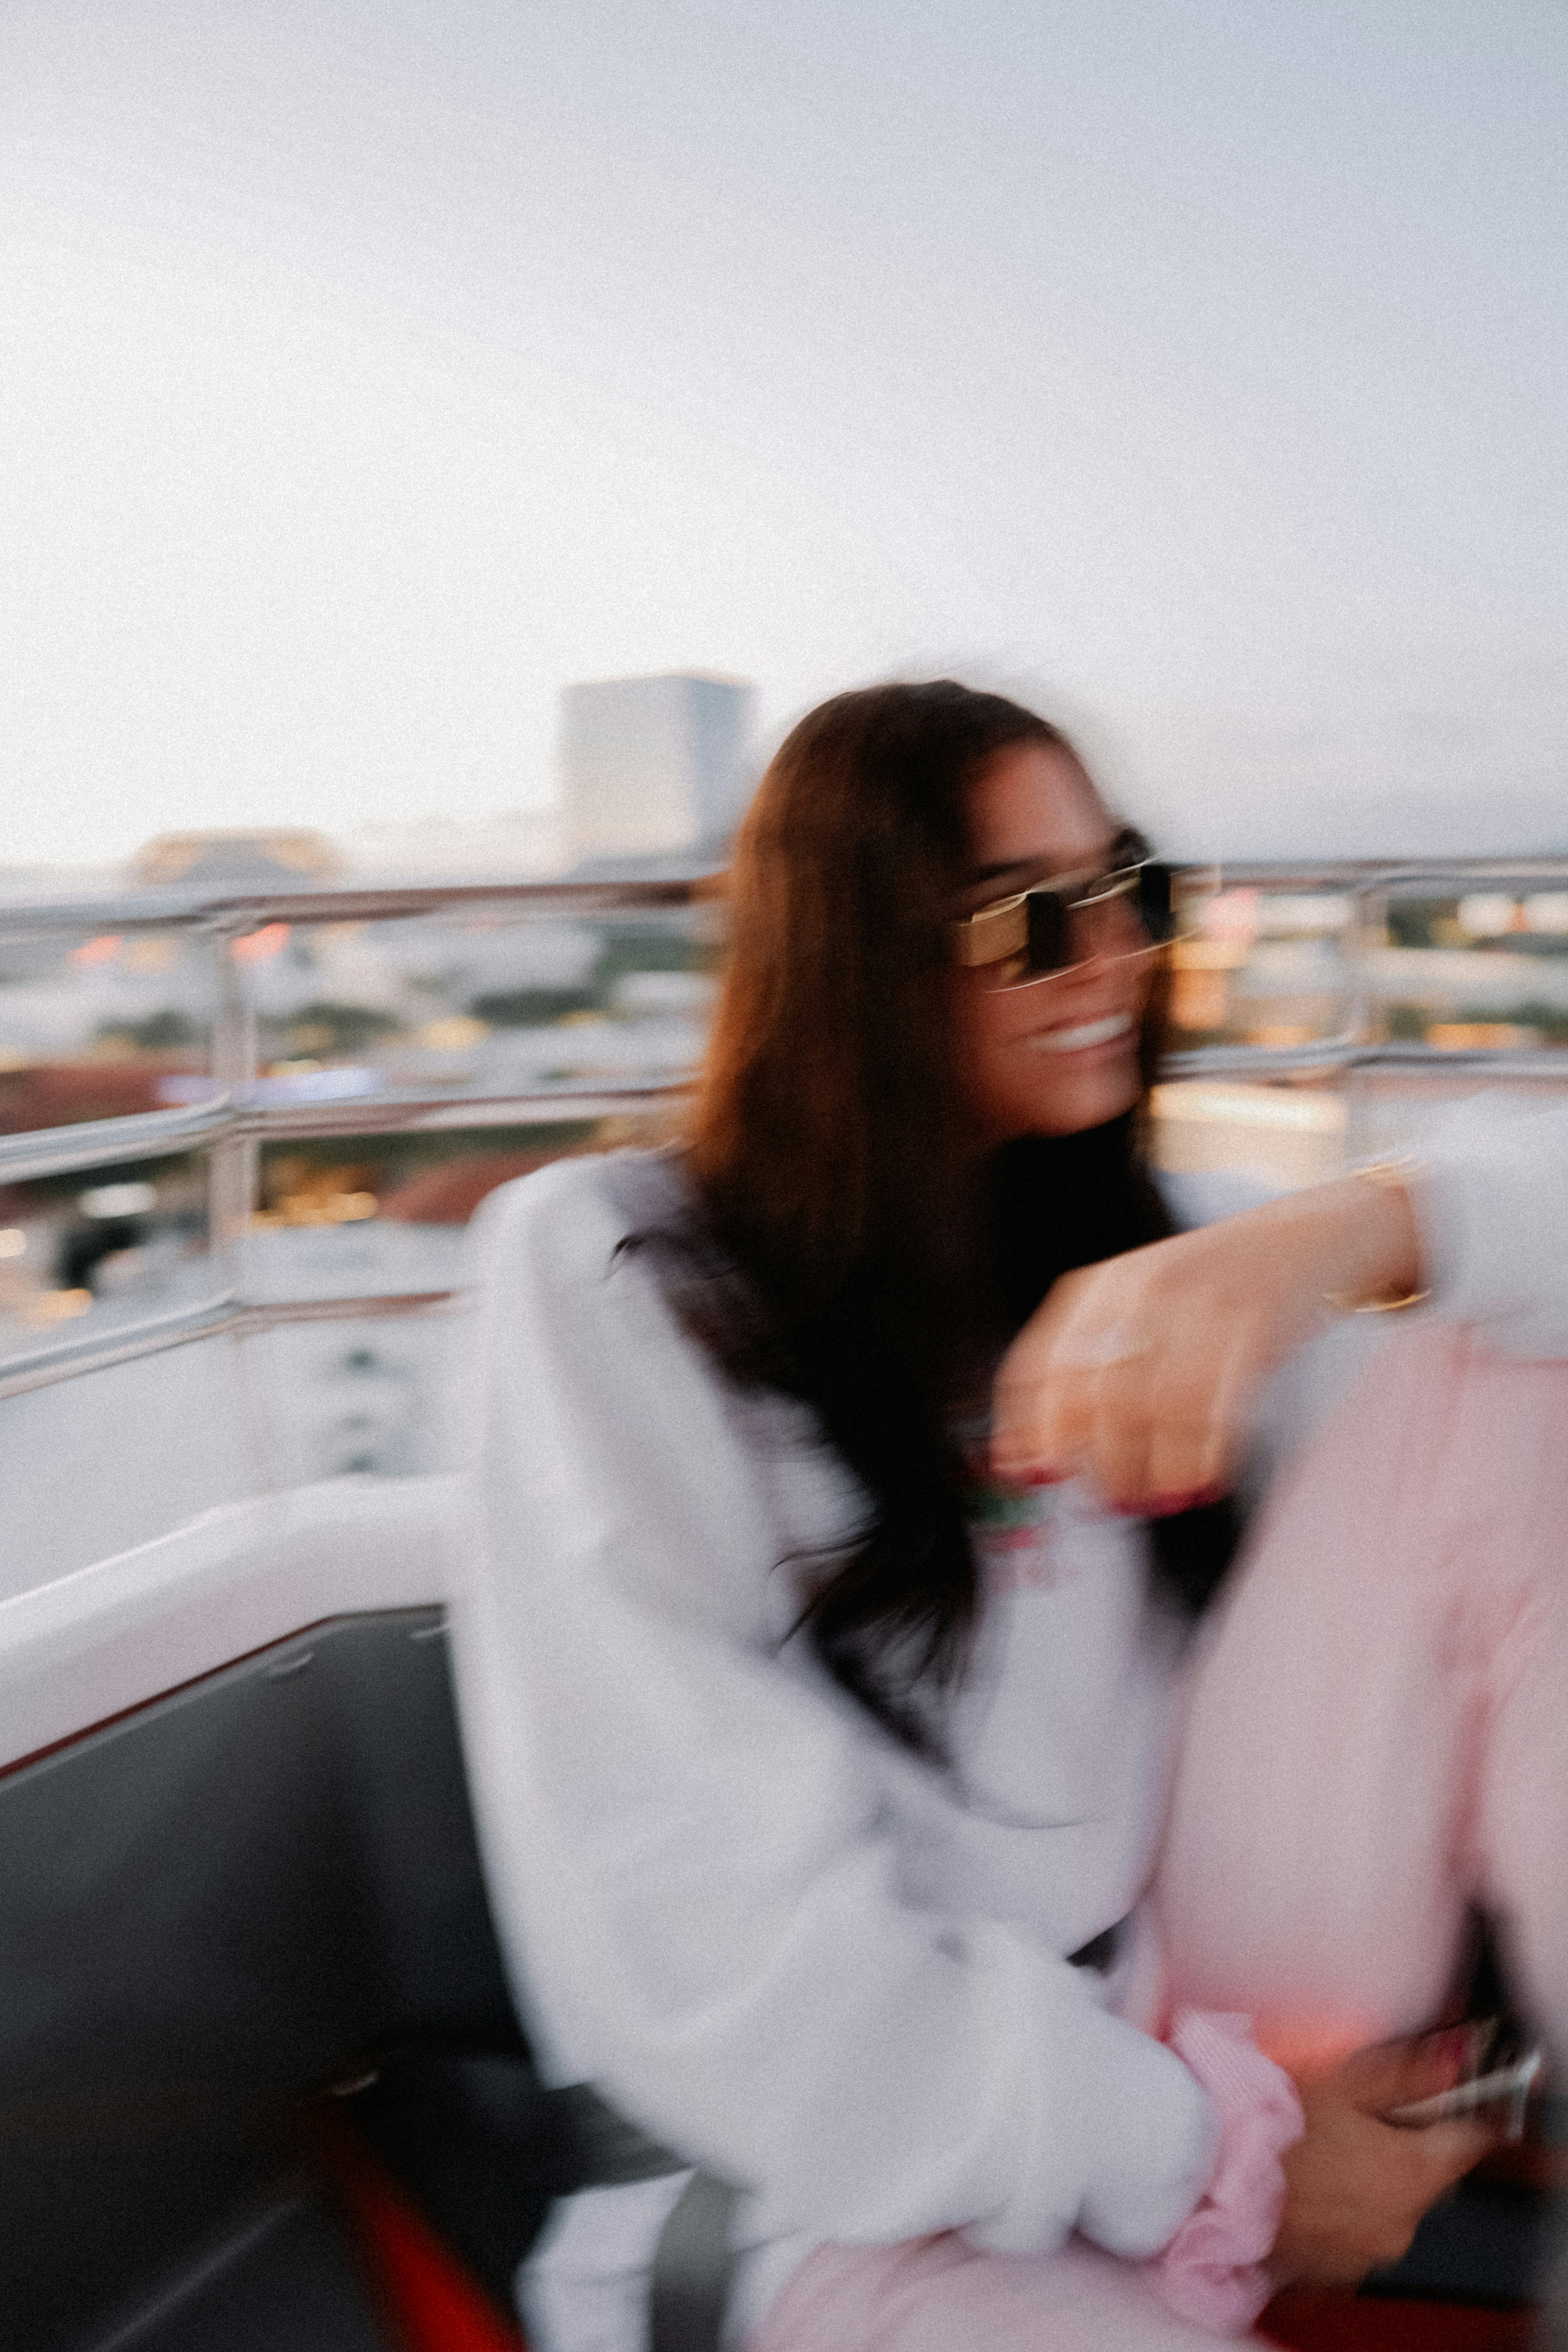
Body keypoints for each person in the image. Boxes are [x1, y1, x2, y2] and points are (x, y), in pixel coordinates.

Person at [450, 682, 1568, 2351]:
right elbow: (717, 1939)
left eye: (1134, 891)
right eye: (1032, 922)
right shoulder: (616, 1272)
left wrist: (1349, 1231)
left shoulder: (1155, 1245)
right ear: (857, 959)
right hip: (855, 2192)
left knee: (1504, 1372)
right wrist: (1219, 2160)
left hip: (1206, 2006)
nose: (1113, 957)